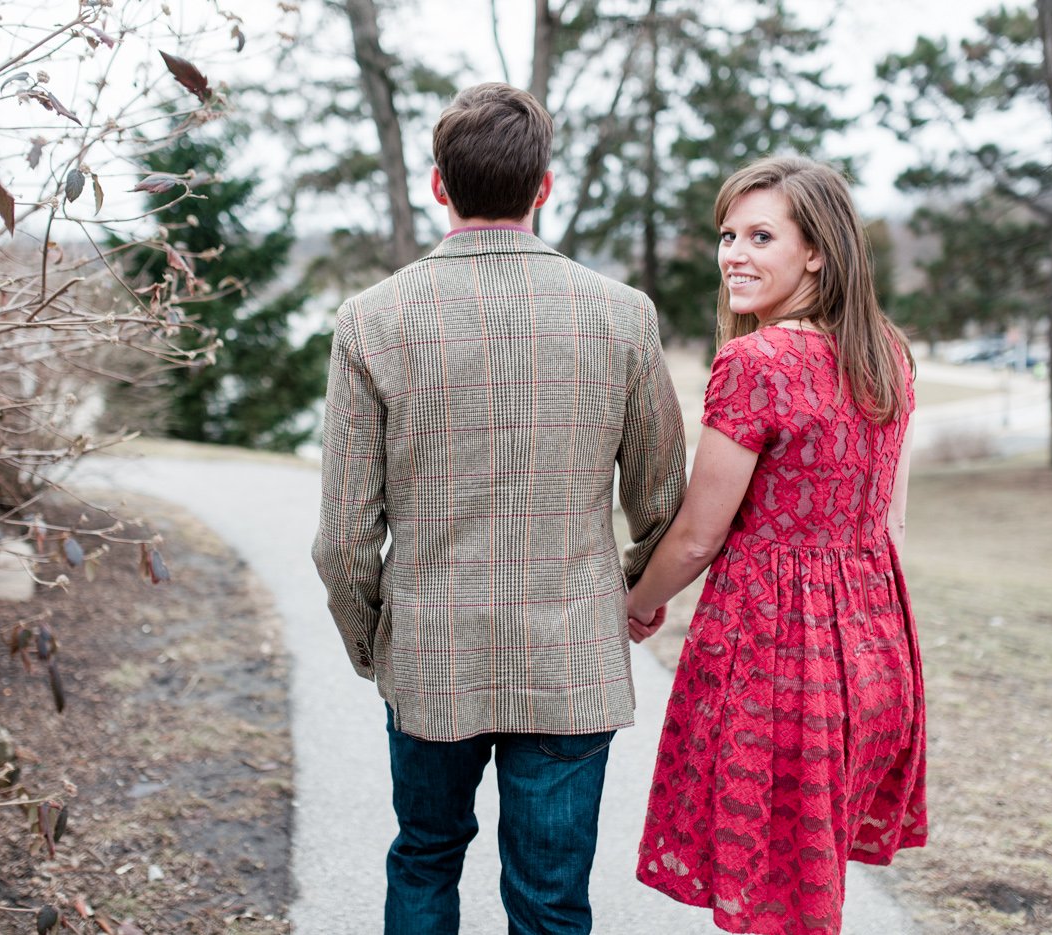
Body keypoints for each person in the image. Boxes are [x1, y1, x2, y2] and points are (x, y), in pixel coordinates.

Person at [311, 82, 687, 935]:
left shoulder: (372, 320)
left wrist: (373, 639)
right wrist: (633, 592)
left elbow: (342, 537)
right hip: (571, 660)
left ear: (438, 185)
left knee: (426, 855)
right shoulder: (622, 316)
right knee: (551, 896)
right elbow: (663, 500)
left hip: (433, 652)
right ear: (543, 187)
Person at [626, 156, 928, 935]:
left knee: (774, 907)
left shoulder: (758, 362)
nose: (734, 253)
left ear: (818, 250)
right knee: (801, 895)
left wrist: (638, 602)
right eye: (729, 234)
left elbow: (698, 535)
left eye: (762, 235)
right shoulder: (886, 353)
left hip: (779, 659)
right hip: (875, 654)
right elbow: (890, 523)